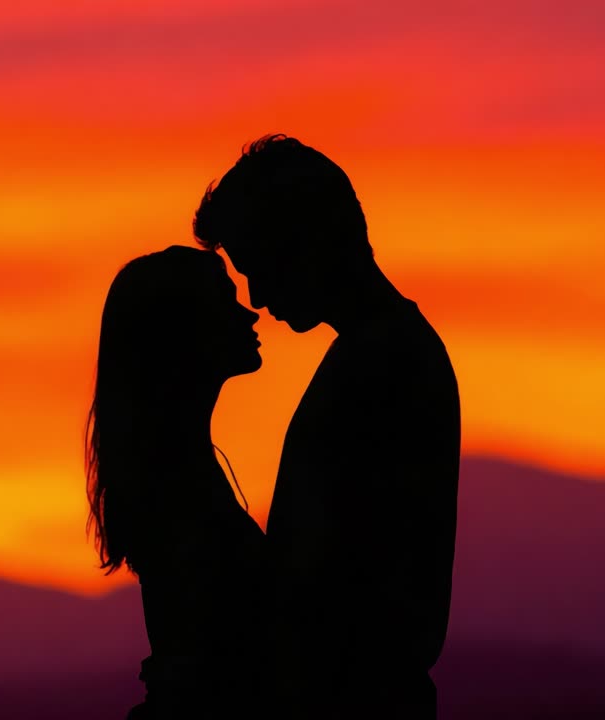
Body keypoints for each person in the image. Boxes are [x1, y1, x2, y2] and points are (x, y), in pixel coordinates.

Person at [193, 134, 461, 719]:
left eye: (258, 266)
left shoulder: (382, 363)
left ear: (306, 242)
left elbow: (337, 585)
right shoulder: (384, 353)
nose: (257, 297)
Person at [84, 246, 272, 719]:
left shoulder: (174, 467)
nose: (250, 314)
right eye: (226, 300)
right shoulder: (178, 487)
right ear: (184, 332)